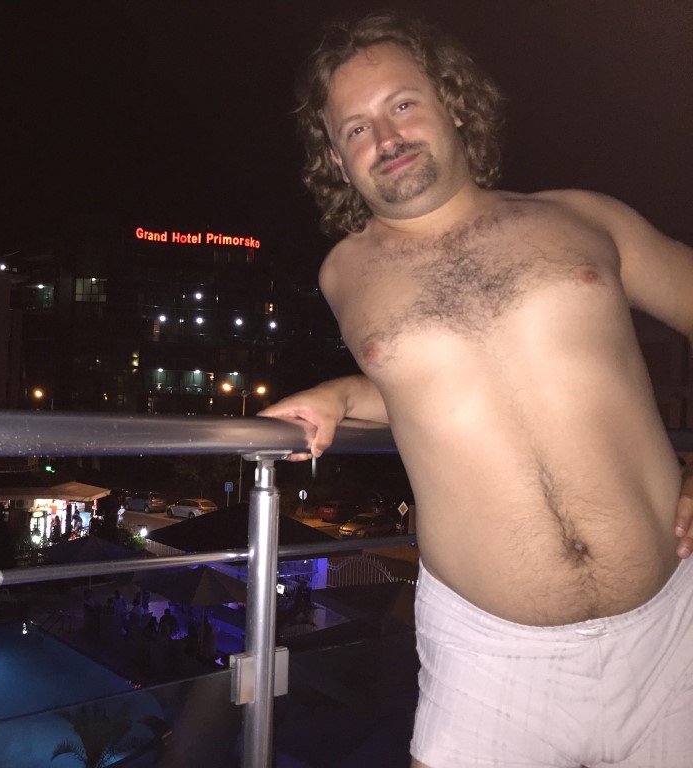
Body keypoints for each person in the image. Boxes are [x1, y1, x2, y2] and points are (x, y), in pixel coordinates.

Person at [259, 11, 693, 768]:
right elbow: (436, 385)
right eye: (356, 128)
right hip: (489, 660)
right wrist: (344, 393)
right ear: (335, 157)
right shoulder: (344, 273)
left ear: (453, 102)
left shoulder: (585, 218)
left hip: (673, 627)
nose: (385, 137)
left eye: (402, 104)